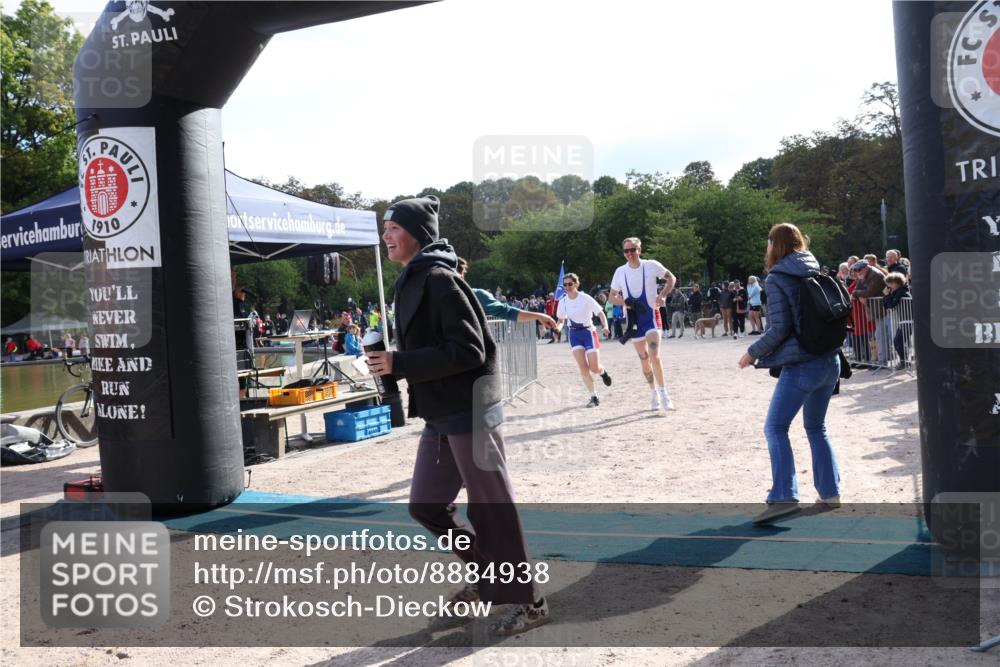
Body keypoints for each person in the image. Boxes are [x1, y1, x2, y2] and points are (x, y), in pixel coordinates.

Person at [367, 195, 549, 636]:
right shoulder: (413, 277)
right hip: (440, 413)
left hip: (471, 411)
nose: (386, 234)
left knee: (492, 509)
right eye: (385, 227)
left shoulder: (441, 279)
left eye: (394, 227)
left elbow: (470, 351)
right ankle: (491, 579)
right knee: (426, 506)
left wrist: (399, 364)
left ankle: (527, 601)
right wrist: (392, 363)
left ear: (417, 233)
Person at [738, 223, 842, 524]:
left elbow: (780, 328)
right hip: (830, 361)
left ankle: (784, 496)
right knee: (816, 428)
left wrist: (752, 352)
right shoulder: (815, 268)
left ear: (775, 244)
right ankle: (830, 491)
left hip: (802, 365)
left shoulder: (778, 277)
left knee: (775, 428)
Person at [608, 237, 676, 412]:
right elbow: (611, 297)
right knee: (644, 359)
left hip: (651, 316)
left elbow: (671, 279)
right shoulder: (620, 272)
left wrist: (663, 295)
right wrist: (625, 302)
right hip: (633, 320)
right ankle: (653, 393)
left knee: (655, 355)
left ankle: (664, 393)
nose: (630, 253)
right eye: (626, 251)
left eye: (633, 249)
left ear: (640, 249)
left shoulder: (650, 265)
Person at [554, 273, 612, 407]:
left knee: (594, 368)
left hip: (588, 333)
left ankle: (603, 372)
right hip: (574, 335)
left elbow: (601, 313)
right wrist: (557, 328)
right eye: (565, 285)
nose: (567, 287)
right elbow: (561, 319)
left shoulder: (585, 298)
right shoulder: (563, 301)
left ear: (576, 284)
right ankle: (594, 396)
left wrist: (605, 326)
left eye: (570, 284)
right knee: (583, 368)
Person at [455, 258, 558, 332]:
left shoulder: (476, 295)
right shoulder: (476, 295)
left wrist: (538, 315)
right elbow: (507, 312)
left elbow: (507, 311)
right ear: (462, 274)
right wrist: (539, 316)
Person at [882, 272, 911, 371]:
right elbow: (886, 306)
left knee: (898, 341)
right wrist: (886, 295)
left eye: (890, 283)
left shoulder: (902, 292)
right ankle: (904, 361)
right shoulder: (895, 292)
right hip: (903, 320)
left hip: (908, 320)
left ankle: (904, 361)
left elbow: (891, 305)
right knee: (898, 341)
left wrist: (887, 296)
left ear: (897, 283)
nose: (888, 285)